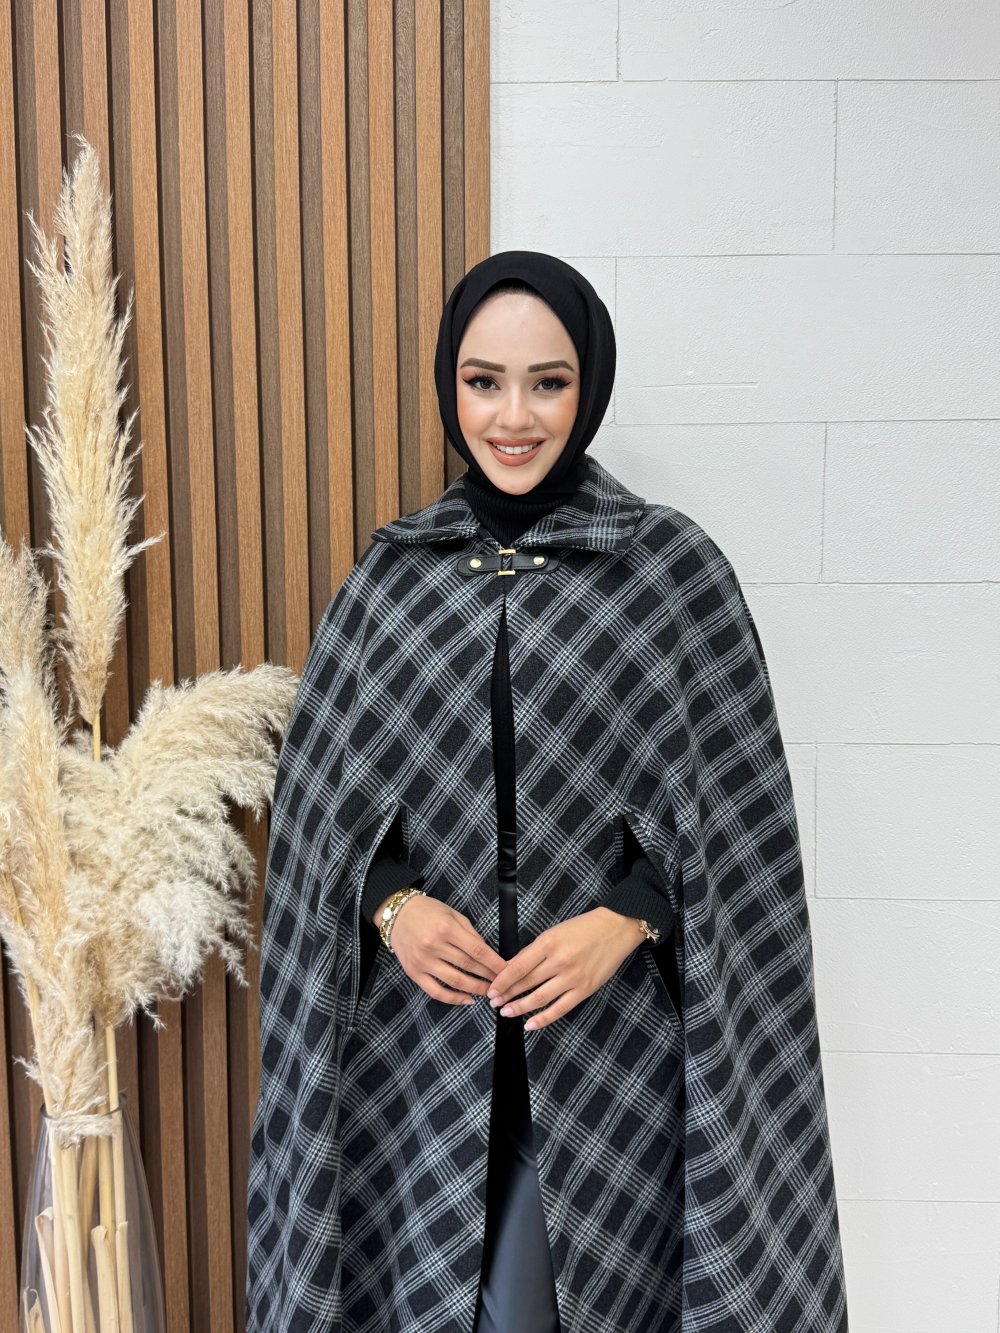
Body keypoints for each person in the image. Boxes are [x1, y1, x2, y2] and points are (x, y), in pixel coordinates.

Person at [246, 250, 849, 1332]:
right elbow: (321, 818)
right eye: (484, 382)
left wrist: (623, 922)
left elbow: (731, 822)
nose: (513, 416)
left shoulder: (670, 571)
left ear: (590, 386)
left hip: (609, 1050)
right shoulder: (392, 580)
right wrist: (396, 908)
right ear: (451, 386)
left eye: (548, 382)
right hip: (420, 1058)